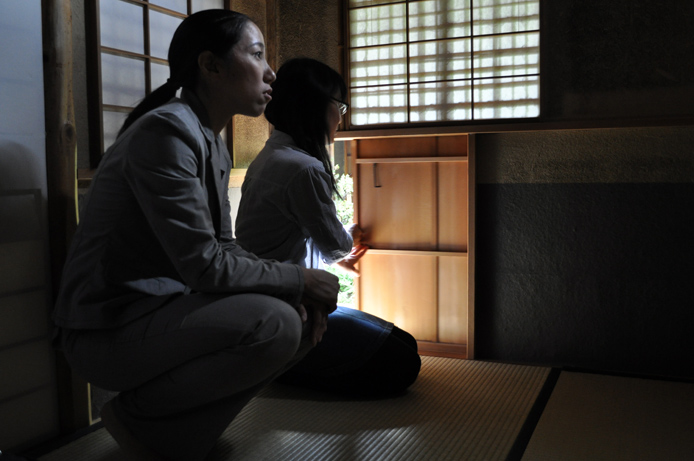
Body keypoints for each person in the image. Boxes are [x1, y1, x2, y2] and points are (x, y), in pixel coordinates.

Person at [52, 11, 340, 461]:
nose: (271, 72)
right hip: (107, 331)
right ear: (211, 65)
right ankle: (137, 416)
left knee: (297, 317)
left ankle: (179, 437)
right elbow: (204, 265)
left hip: (159, 317)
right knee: (277, 322)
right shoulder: (167, 131)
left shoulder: (210, 141)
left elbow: (224, 246)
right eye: (257, 54)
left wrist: (297, 289)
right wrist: (300, 279)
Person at [235, 57, 421, 398]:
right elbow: (335, 246)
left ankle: (279, 362)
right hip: (283, 308)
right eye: (340, 106)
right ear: (316, 107)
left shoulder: (272, 156)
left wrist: (340, 241)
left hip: (272, 299)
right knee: (403, 362)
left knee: (404, 343)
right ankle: (275, 366)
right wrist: (348, 237)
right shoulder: (301, 167)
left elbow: (308, 237)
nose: (341, 116)